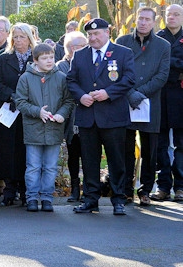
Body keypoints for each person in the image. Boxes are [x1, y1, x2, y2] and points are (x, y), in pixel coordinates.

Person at [67, 18, 135, 215]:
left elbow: (129, 79)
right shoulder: (79, 55)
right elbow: (71, 80)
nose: (93, 37)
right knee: (89, 160)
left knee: (116, 160)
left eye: (97, 34)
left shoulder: (123, 53)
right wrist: (81, 96)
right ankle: (90, 199)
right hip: (88, 116)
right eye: (90, 34)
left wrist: (109, 93)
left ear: (107, 33)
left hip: (113, 116)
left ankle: (118, 199)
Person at [116, 7, 170, 206]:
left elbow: (162, 75)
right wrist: (130, 93)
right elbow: (116, 71)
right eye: (141, 18)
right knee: (125, 148)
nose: (143, 22)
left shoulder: (163, 46)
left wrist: (141, 93)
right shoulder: (122, 42)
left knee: (150, 150)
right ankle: (126, 190)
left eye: (148, 19)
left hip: (151, 103)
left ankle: (145, 190)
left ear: (154, 22)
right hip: (125, 100)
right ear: (135, 20)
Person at [15, 43, 73, 212]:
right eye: (44, 58)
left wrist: (62, 113)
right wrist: (37, 111)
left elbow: (68, 101)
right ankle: (32, 197)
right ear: (35, 60)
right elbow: (20, 102)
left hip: (54, 129)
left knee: (50, 166)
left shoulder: (61, 77)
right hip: (33, 129)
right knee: (33, 166)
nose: (49, 61)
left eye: (51, 57)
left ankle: (47, 198)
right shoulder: (26, 78)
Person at [0, 23, 37, 206]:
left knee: (26, 150)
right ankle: (9, 190)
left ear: (29, 38)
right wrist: (11, 95)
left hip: (29, 111)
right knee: (7, 149)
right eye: (15, 37)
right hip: (8, 109)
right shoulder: (4, 58)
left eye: (22, 37)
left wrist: (25, 99)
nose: (18, 40)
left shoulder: (36, 57)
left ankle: (26, 191)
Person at [151, 4, 183, 202]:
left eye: (176, 14)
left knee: (181, 144)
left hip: (180, 96)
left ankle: (180, 187)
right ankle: (163, 186)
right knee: (160, 144)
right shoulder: (157, 38)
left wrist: (168, 60)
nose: (172, 17)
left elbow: (163, 61)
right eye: (169, 14)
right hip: (160, 95)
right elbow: (153, 63)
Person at [56, 31, 88, 202]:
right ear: (70, 48)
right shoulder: (61, 66)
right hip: (71, 118)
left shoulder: (91, 62)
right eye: (81, 46)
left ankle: (89, 188)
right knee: (73, 154)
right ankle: (75, 188)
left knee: (90, 155)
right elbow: (66, 87)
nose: (85, 49)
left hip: (89, 115)